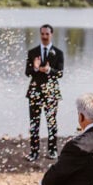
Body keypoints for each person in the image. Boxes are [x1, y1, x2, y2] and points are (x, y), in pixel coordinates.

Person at [25, 24, 64, 161]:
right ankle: (34, 152)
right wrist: (35, 68)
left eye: (47, 34)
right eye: (42, 34)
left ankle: (52, 151)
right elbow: (27, 72)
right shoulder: (32, 52)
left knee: (51, 123)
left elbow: (60, 74)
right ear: (40, 34)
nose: (44, 36)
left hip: (51, 93)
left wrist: (48, 70)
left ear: (51, 34)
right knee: (34, 123)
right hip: (34, 92)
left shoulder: (58, 53)